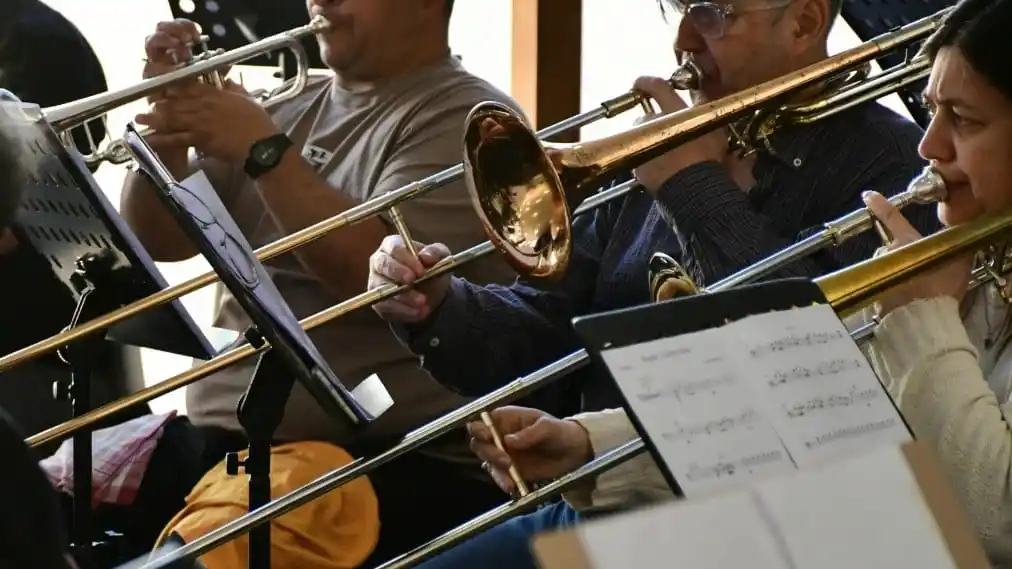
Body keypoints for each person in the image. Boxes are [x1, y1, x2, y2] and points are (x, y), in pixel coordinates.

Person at [368, 0, 942, 567]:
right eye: (680, 15)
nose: (684, 42)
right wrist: (439, 306)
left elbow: (813, 362)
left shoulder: (896, 167)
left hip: (772, 533)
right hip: (606, 501)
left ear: (804, 22)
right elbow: (549, 326)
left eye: (713, 15)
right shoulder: (667, 148)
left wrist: (692, 186)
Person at [119, 0, 522, 564]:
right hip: (228, 451)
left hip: (375, 465)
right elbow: (164, 241)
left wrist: (264, 152)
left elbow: (383, 284)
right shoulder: (288, 101)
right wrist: (165, 137)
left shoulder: (468, 118)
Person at [0, 0, 108, 163]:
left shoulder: (31, 33)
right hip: (61, 161)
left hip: (45, 163)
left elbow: (17, 125)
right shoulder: (29, 19)